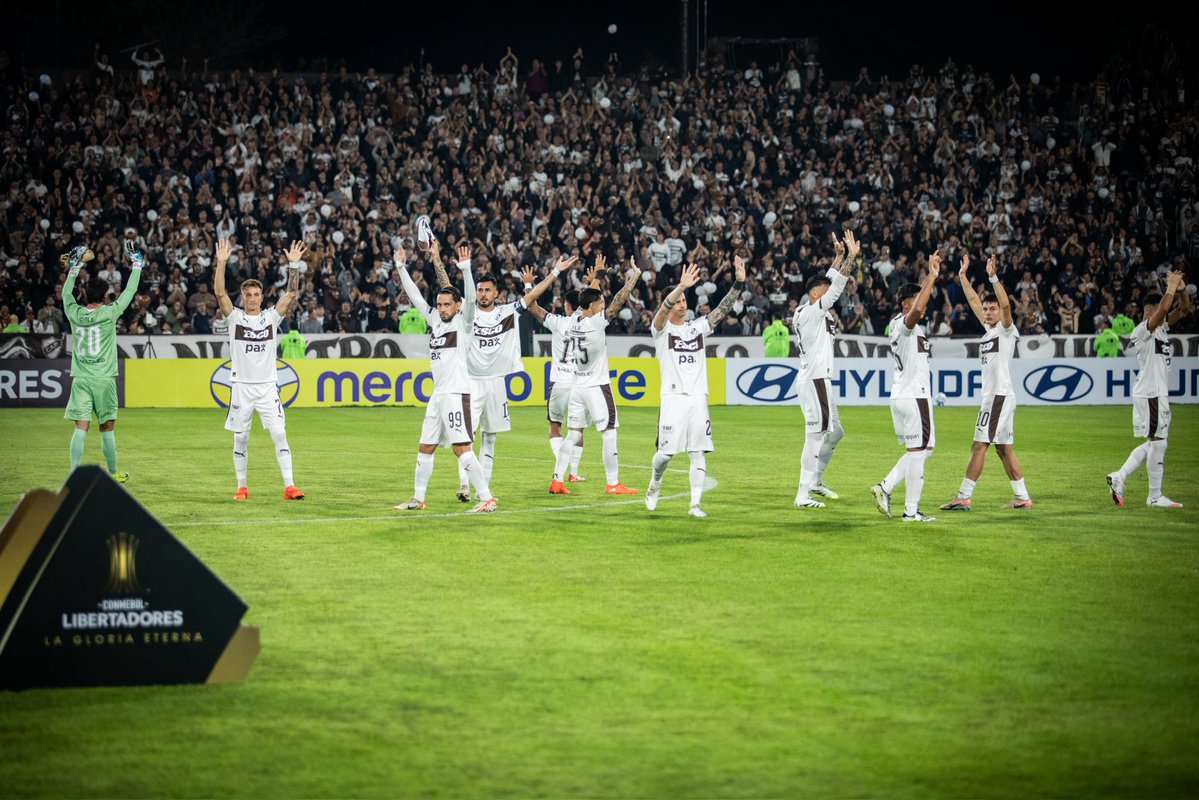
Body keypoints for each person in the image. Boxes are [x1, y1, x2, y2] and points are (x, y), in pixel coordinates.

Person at [438, 237, 575, 502]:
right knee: (466, 436)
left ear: (496, 293)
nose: (482, 294)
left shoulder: (507, 312)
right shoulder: (467, 312)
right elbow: (447, 289)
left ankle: (484, 488)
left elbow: (532, 296)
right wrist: (438, 259)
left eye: (487, 290)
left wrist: (556, 272)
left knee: (490, 438)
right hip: (470, 382)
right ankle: (464, 485)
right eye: (480, 290)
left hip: (496, 383)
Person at [393, 244, 496, 513]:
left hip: (456, 394)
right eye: (439, 304)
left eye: (447, 304)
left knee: (461, 448)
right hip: (438, 395)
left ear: (457, 306)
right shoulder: (435, 321)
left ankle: (486, 497)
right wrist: (401, 268)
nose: (442, 309)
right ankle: (418, 498)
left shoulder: (464, 322)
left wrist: (466, 270)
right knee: (425, 446)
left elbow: (471, 300)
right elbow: (415, 297)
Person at [645, 255, 746, 517]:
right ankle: (655, 481)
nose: (683, 303)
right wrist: (681, 286)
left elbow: (722, 309)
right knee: (665, 455)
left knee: (698, 451)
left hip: (698, 397)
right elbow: (662, 311)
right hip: (673, 397)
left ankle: (695, 504)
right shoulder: (660, 330)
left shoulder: (698, 327)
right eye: (678, 300)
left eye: (684, 300)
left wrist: (738, 283)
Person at [213, 238, 306, 501]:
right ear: (242, 297)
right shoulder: (235, 318)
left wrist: (294, 265)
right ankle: (242, 487)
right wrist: (221, 263)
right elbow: (220, 294)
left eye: (256, 294)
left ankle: (290, 486)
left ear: (262, 297)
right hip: (241, 387)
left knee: (279, 433)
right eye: (248, 295)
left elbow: (291, 295)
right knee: (241, 438)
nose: (252, 299)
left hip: (267, 387)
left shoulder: (270, 317)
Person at [940, 252, 1033, 511]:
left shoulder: (1005, 330)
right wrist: (962, 276)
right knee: (1004, 449)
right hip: (1001, 396)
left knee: (979, 444)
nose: (988, 312)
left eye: (992, 309)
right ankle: (1022, 497)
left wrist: (993, 278)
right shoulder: (989, 330)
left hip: (998, 397)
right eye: (987, 309)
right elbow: (973, 300)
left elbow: (1006, 306)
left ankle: (963, 496)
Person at [548, 259, 643, 495]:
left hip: (577, 385)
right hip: (597, 386)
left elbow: (585, 300)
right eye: (600, 302)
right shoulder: (597, 322)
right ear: (592, 307)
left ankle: (557, 480)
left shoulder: (573, 320)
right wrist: (634, 276)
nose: (603, 305)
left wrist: (597, 278)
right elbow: (620, 299)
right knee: (609, 432)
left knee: (573, 434)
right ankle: (613, 483)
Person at [1107, 270, 1193, 507]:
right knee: (1159, 442)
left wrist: (1182, 291)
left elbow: (1185, 310)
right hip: (1151, 392)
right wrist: (1171, 287)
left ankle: (1120, 476)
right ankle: (1154, 496)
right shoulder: (1143, 330)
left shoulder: (1162, 329)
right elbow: (1163, 310)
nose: (1153, 314)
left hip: (1155, 392)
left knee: (1154, 443)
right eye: (1150, 311)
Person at [871, 251, 943, 522]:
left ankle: (886, 486)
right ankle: (911, 511)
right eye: (919, 298)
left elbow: (918, 309)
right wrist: (932, 277)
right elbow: (916, 311)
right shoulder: (904, 324)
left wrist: (928, 280)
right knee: (917, 452)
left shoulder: (905, 327)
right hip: (914, 396)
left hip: (904, 394)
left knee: (925, 450)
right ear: (905, 305)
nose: (925, 302)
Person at [62, 241, 142, 481]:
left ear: (85, 294)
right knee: (107, 427)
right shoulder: (109, 312)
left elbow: (66, 294)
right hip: (104, 379)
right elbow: (130, 291)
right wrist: (137, 264)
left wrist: (74, 269)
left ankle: (74, 474)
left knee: (81, 427)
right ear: (105, 296)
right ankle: (114, 473)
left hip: (81, 378)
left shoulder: (74, 312)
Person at [792, 231, 858, 508]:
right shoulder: (810, 312)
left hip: (821, 380)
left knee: (836, 432)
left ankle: (816, 481)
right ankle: (802, 494)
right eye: (824, 292)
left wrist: (840, 256)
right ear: (816, 295)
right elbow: (836, 287)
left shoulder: (812, 309)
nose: (830, 294)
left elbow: (829, 282)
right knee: (815, 436)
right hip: (815, 379)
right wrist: (852, 258)